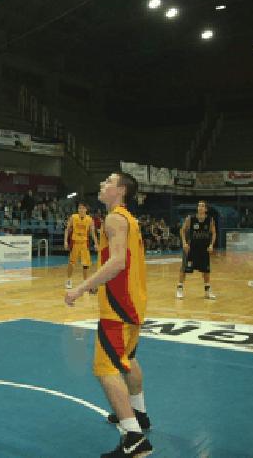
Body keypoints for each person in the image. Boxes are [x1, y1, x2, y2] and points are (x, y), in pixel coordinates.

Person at [65, 172, 153, 457]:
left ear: (121, 190)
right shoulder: (128, 218)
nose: (101, 184)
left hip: (118, 308)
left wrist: (81, 287)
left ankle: (134, 438)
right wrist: (99, 283)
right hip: (133, 303)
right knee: (128, 359)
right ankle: (139, 414)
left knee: (105, 370)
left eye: (108, 182)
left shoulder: (115, 219)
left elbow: (117, 263)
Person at [177, 200, 217, 300]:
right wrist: (184, 243)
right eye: (199, 206)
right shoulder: (190, 219)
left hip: (204, 248)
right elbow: (182, 230)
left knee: (206, 271)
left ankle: (207, 291)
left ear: (206, 209)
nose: (200, 207)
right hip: (191, 248)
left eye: (202, 206)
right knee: (184, 269)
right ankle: (179, 289)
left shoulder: (210, 220)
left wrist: (211, 245)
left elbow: (214, 233)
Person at [64, 202, 99, 291]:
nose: (81, 210)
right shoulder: (73, 217)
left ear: (86, 210)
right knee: (72, 263)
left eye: (83, 208)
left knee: (86, 264)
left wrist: (96, 243)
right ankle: (68, 280)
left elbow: (92, 233)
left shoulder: (90, 219)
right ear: (78, 209)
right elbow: (67, 229)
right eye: (79, 208)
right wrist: (65, 241)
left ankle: (85, 282)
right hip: (75, 242)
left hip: (84, 243)